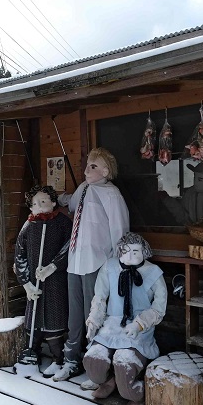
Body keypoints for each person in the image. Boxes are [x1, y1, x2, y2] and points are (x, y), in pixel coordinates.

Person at [55, 148, 129, 382]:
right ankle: (71, 360)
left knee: (93, 314)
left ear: (106, 171)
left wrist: (117, 265)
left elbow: (120, 230)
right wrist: (56, 198)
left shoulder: (112, 194)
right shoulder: (84, 188)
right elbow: (73, 205)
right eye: (87, 165)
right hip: (75, 260)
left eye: (93, 166)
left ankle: (95, 364)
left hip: (97, 263)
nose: (87, 169)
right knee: (74, 314)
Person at [84, 233, 167, 405]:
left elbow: (159, 308)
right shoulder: (110, 266)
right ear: (119, 251)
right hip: (112, 324)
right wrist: (94, 321)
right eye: (126, 251)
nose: (130, 255)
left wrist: (139, 324)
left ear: (144, 251)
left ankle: (136, 395)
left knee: (125, 362)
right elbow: (100, 298)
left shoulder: (153, 272)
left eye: (136, 251)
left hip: (138, 327)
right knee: (94, 359)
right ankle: (108, 381)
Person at [13, 185, 72, 374]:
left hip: (55, 281)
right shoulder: (29, 225)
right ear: (30, 207)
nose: (40, 206)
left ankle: (58, 358)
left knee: (55, 316)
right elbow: (19, 255)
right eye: (35, 203)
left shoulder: (62, 222)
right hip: (34, 282)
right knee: (34, 317)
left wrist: (53, 266)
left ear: (53, 202)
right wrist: (26, 284)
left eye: (44, 201)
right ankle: (32, 352)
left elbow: (69, 246)